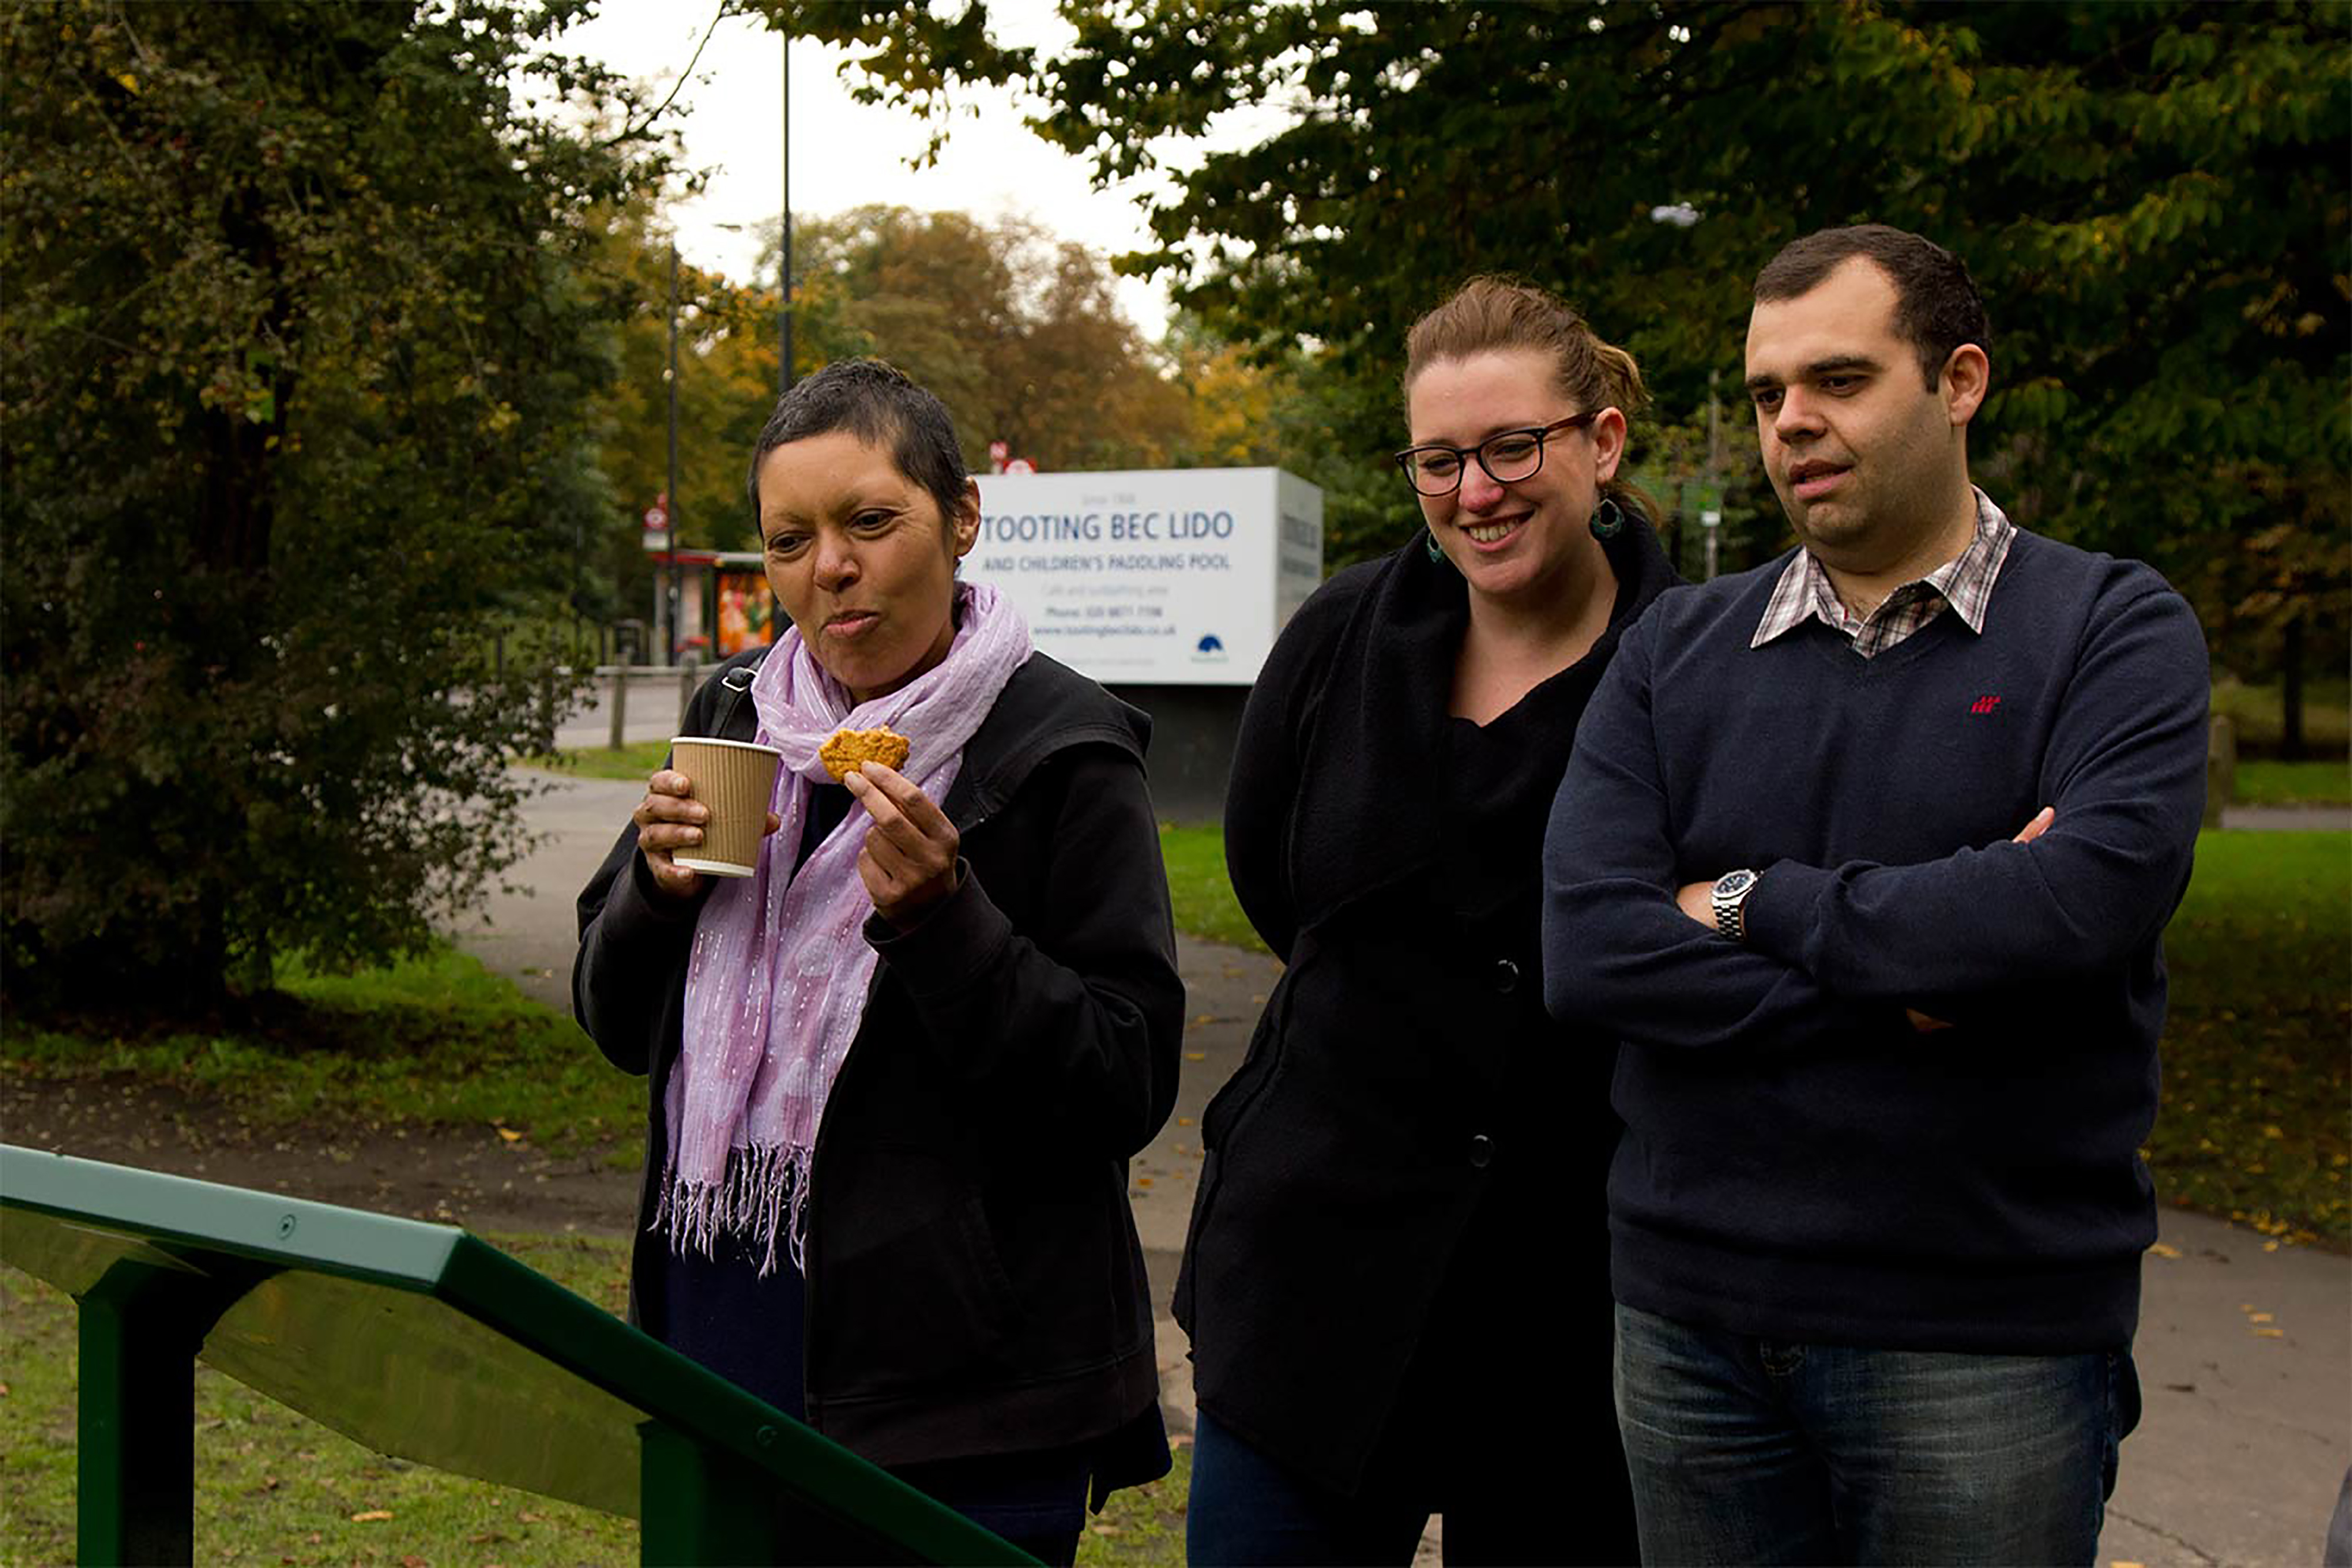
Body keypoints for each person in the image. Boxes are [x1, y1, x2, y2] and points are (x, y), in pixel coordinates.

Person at [1541, 225, 2211, 1564]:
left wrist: (1742, 898)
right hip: (1687, 1321)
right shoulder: (1677, 644)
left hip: (1981, 1335)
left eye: (1837, 380)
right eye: (1764, 393)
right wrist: (1918, 975)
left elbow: (2068, 913)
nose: (1792, 422)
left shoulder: (2109, 629)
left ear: (1957, 381)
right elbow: (1588, 951)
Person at [573, 358, 1184, 1564]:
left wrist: (948, 925)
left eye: (868, 521)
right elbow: (612, 1016)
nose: (828, 569)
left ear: (959, 518)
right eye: (787, 539)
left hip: (963, 1412)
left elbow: (1127, 1077)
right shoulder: (741, 712)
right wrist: (654, 892)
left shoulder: (1062, 749)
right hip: (717, 1352)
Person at [1177, 277, 1679, 1564]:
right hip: (1311, 1279)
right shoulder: (1343, 635)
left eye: (1512, 447)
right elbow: (1275, 880)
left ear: (1601, 442)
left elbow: (1728, 911)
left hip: (1570, 1306)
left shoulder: (1693, 666)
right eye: (1437, 460)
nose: (1475, 492)